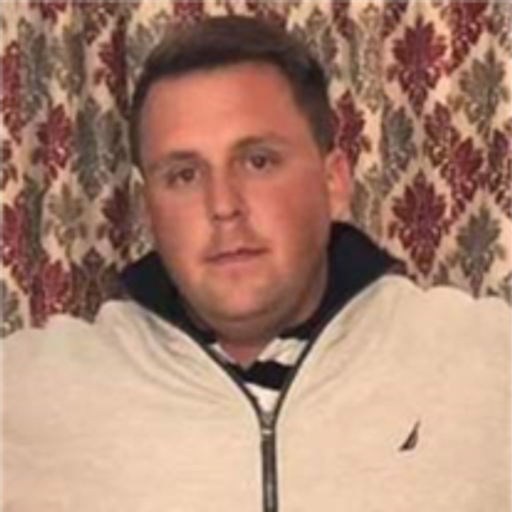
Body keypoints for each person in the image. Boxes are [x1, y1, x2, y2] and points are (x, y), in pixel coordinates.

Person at [1, 15, 511, 512]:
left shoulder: (488, 366)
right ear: (148, 206)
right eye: (183, 175)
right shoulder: (28, 398)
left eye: (258, 162)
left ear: (333, 182)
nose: (223, 205)